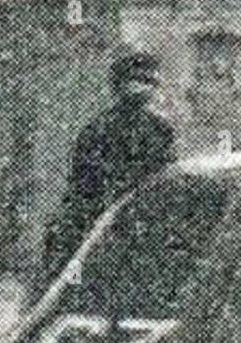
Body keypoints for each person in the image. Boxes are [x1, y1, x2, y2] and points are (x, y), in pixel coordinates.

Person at [44, 52, 176, 279]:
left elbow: (169, 179)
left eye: (149, 82)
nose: (144, 89)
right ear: (120, 86)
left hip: (146, 227)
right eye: (138, 81)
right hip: (105, 225)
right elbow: (84, 188)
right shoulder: (98, 131)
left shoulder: (161, 131)